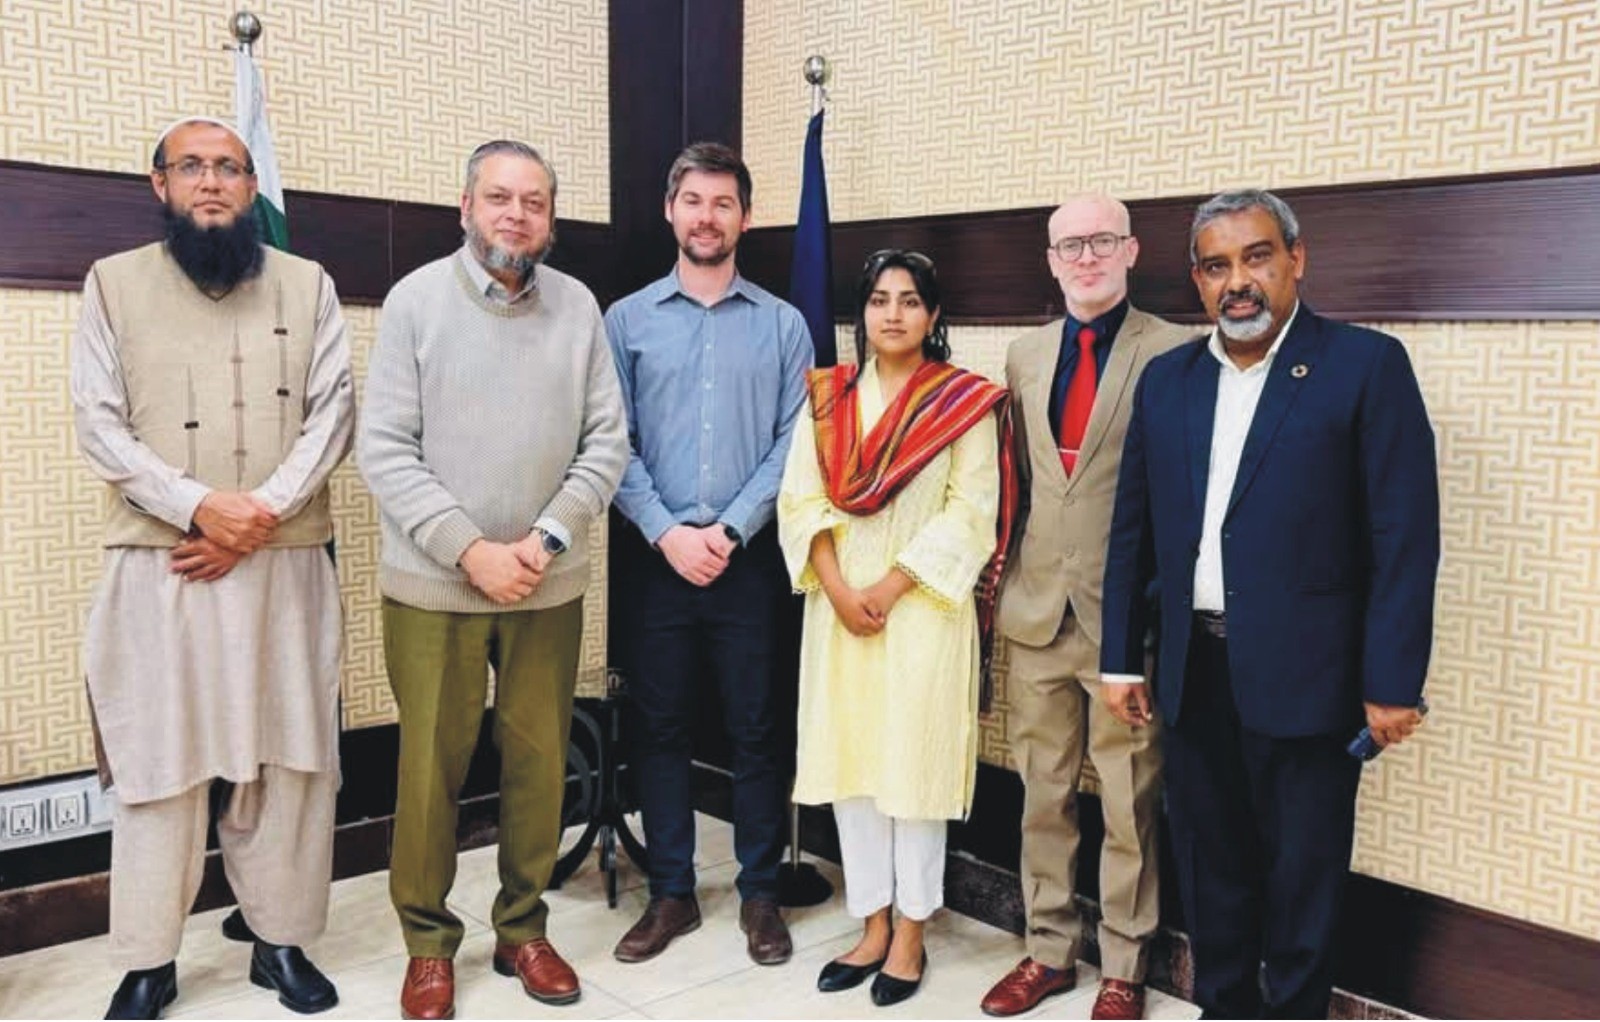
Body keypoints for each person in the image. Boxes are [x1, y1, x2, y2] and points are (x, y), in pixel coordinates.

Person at [1100, 189, 1439, 1017]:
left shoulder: (1365, 366)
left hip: (1310, 678)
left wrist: (1393, 680)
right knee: (1210, 874)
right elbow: (1133, 529)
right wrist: (1119, 655)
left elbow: (1405, 535)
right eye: (1217, 267)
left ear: (1297, 260)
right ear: (1197, 281)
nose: (1237, 282)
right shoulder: (1168, 380)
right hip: (1194, 673)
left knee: (1302, 880)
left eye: (1256, 257)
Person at [72, 116, 353, 1020]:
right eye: (191, 166)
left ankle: (280, 943)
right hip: (164, 565)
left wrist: (255, 515)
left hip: (284, 562)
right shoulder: (112, 286)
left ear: (250, 186)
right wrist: (200, 507)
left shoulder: (309, 285)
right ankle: (149, 961)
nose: (212, 182)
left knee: (292, 760)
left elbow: (331, 413)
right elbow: (99, 424)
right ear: (159, 185)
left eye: (229, 168)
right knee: (161, 765)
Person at [358, 139, 629, 1020]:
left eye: (535, 202)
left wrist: (543, 542)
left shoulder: (580, 308)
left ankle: (522, 927)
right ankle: (429, 944)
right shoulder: (413, 303)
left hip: (547, 586)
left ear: (551, 218)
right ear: (465, 206)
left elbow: (607, 444)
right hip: (434, 587)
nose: (517, 215)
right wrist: (472, 550)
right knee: (429, 770)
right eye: (499, 198)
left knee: (540, 764)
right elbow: (386, 451)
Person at [779, 249, 1013, 1008]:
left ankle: (912, 932)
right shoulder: (827, 398)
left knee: (913, 775)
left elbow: (973, 511)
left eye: (910, 301)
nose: (893, 314)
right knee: (853, 772)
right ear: (862, 314)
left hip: (922, 611)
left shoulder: (963, 403)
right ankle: (871, 924)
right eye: (879, 300)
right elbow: (801, 499)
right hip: (838, 608)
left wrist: (886, 586)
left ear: (934, 316)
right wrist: (843, 589)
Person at [981, 195, 1192, 1021]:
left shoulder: (1173, 351)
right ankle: (1047, 950)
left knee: (1132, 803)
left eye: (1103, 239)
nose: (1087, 255)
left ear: (1132, 249)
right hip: (1038, 614)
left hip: (1123, 624)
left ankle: (1125, 967)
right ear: (1051, 258)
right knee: (1044, 792)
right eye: (1070, 244)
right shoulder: (1025, 354)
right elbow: (1024, 485)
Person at [604, 142, 812, 967]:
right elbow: (607, 440)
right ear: (670, 210)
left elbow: (798, 442)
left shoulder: (784, 324)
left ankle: (760, 894)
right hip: (655, 557)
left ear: (745, 218)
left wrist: (728, 531)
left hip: (749, 558)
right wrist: (667, 530)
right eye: (693, 200)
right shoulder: (626, 320)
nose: (706, 216)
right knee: (659, 728)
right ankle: (673, 893)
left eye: (723, 203)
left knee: (759, 727)